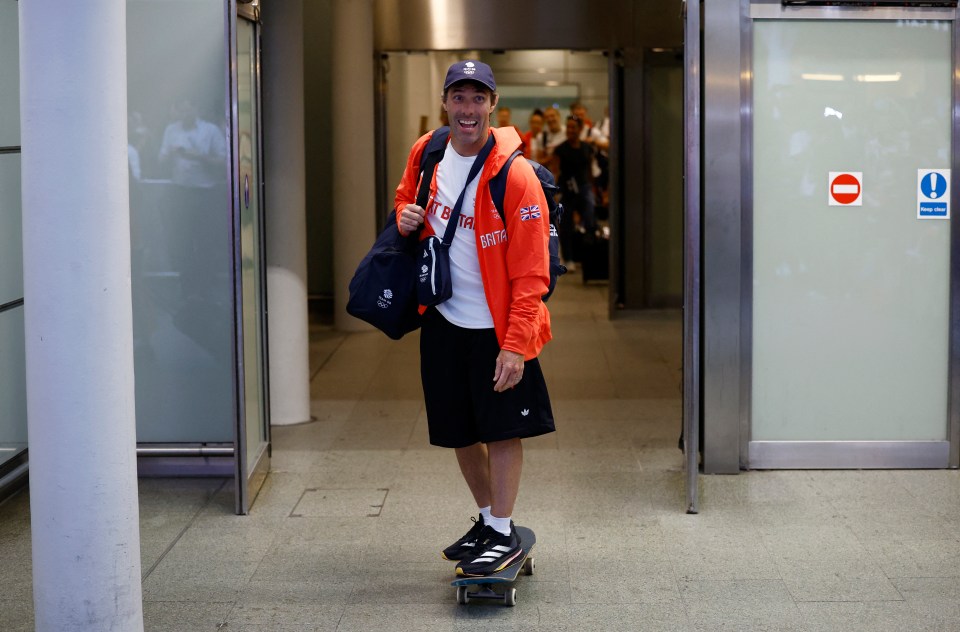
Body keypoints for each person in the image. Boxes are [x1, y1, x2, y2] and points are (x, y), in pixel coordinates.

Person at [394, 60, 555, 578]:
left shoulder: (516, 175)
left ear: (493, 102)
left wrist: (515, 344)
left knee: (502, 431)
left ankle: (505, 532)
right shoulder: (428, 152)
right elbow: (404, 198)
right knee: (459, 430)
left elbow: (532, 275)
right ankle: (488, 520)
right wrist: (405, 215)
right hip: (442, 319)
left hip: (497, 325)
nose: (467, 109)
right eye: (458, 97)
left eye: (477, 98)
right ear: (446, 102)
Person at [550, 115, 596, 270]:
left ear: (580, 129)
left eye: (573, 127)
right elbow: (555, 171)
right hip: (566, 190)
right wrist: (554, 192)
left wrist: (594, 189)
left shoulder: (587, 148)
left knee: (590, 219)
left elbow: (590, 169)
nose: (570, 130)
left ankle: (588, 256)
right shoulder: (560, 149)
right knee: (566, 225)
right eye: (568, 127)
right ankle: (568, 258)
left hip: (584, 188)